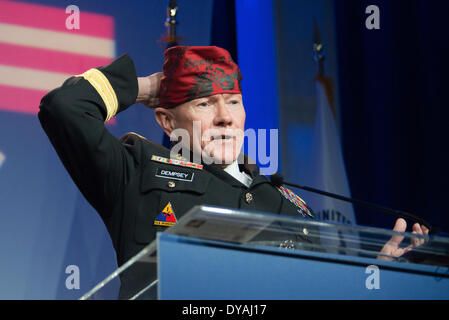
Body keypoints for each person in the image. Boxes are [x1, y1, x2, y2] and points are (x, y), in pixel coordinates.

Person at [38, 46, 428, 297]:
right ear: (165, 119)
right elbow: (65, 108)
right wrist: (146, 86)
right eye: (206, 103)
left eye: (234, 102)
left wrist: (374, 277)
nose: (226, 118)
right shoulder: (135, 172)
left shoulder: (289, 203)